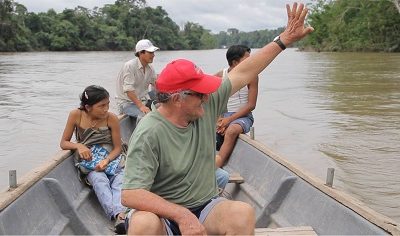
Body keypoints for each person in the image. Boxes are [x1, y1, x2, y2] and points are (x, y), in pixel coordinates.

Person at [121, 3, 313, 235]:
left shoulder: (205, 104)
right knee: (142, 224)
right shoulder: (149, 131)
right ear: (177, 99)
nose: (206, 97)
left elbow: (244, 71)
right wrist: (180, 214)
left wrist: (283, 40)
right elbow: (130, 194)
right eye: (200, 93)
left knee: (242, 213)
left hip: (205, 206)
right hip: (165, 214)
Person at [60, 85, 127, 234]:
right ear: (87, 107)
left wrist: (107, 160)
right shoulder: (75, 115)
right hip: (91, 162)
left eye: (108, 104)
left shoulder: (112, 118)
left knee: (119, 182)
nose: (106, 109)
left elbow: (117, 148)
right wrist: (79, 146)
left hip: (112, 158)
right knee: (99, 180)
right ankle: (117, 214)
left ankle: (120, 216)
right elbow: (64, 143)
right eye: (101, 105)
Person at [215, 45, 259, 168]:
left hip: (243, 116)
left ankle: (217, 165)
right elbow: (213, 100)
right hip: (223, 116)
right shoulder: (220, 75)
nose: (251, 61)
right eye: (247, 58)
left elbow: (251, 105)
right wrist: (219, 120)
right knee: (207, 130)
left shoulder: (252, 76)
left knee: (232, 130)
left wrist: (229, 120)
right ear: (235, 62)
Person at [115, 39, 159, 118]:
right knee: (144, 116)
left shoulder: (150, 68)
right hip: (127, 103)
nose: (153, 55)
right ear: (140, 53)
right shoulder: (129, 66)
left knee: (164, 100)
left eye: (153, 52)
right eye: (150, 52)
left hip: (143, 98)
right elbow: (129, 90)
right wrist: (141, 106)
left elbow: (156, 84)